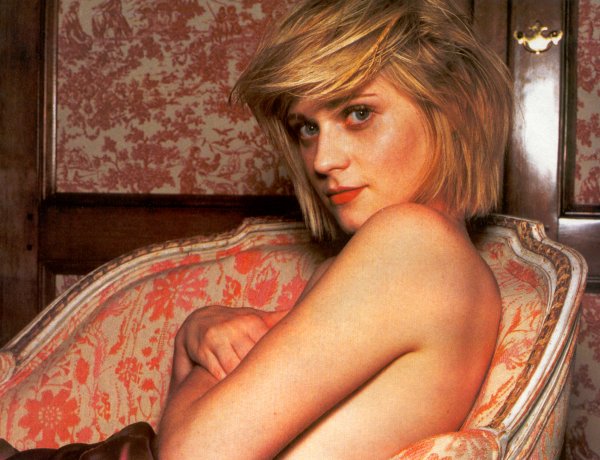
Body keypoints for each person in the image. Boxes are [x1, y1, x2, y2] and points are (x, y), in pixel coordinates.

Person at [156, 0, 513, 458]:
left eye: (358, 114)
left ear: (453, 109)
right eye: (307, 128)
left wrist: (193, 353)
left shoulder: (412, 242)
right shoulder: (414, 260)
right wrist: (199, 332)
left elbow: (191, 454)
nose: (322, 161)